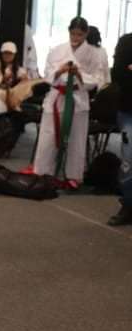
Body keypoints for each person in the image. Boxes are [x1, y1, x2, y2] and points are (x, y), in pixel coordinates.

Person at [32, 17, 102, 188]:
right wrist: (59, 71)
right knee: (48, 136)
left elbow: (97, 79)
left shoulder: (94, 54)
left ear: (86, 34)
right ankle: (42, 173)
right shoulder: (57, 50)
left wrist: (78, 74)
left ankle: (74, 176)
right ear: (69, 31)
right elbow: (48, 74)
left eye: (79, 34)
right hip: (57, 95)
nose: (75, 37)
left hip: (78, 97)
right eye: (73, 34)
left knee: (77, 138)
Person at [108, 33, 132, 225]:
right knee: (129, 159)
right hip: (129, 110)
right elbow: (118, 73)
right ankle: (129, 204)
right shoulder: (126, 42)